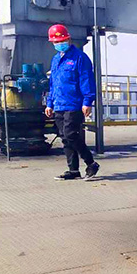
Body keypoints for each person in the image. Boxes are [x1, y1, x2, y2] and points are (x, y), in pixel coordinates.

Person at [44, 24, 100, 180]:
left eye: (61, 41)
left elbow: (86, 80)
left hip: (74, 104)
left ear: (68, 39)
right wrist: (50, 103)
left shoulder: (80, 58)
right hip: (59, 104)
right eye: (55, 42)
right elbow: (53, 83)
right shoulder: (56, 59)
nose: (58, 44)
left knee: (71, 134)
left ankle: (91, 163)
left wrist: (87, 102)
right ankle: (73, 170)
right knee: (64, 137)